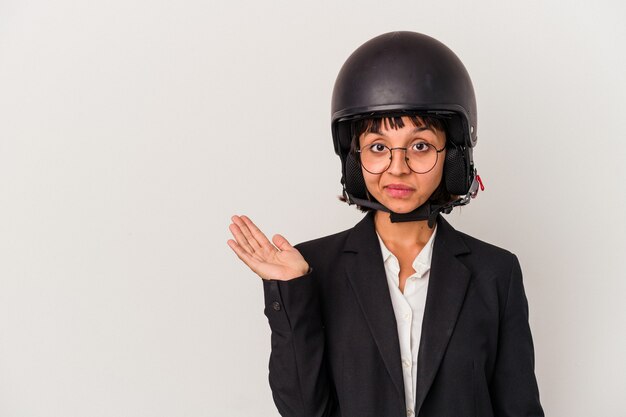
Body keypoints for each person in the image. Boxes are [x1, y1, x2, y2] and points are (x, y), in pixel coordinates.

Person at [227, 31, 544, 417]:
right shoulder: (312, 268)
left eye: (421, 146)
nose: (398, 166)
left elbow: (520, 409)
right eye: (378, 147)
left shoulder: (496, 272)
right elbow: (303, 410)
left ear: (455, 156)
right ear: (354, 157)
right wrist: (291, 292)